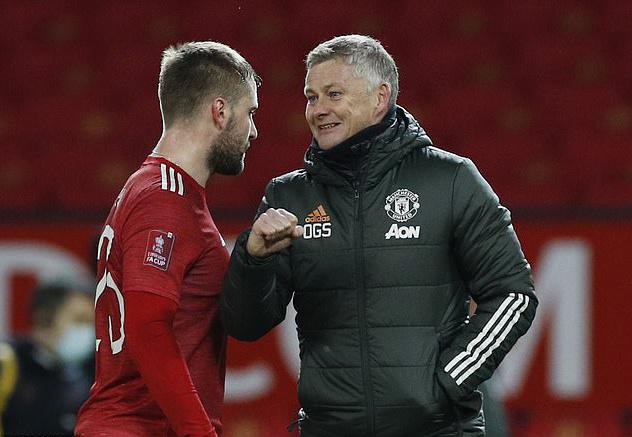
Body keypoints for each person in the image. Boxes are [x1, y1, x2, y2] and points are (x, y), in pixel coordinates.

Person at [220, 35, 537, 437]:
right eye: (311, 97)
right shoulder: (289, 197)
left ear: (380, 97)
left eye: (334, 94)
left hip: (437, 430)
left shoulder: (450, 179)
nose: (318, 109)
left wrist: (447, 383)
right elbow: (245, 324)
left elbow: (513, 294)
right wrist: (253, 259)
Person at [75, 41, 260, 437]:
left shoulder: (153, 187)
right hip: (140, 428)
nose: (254, 131)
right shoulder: (165, 198)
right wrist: (199, 432)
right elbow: (148, 325)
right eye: (250, 113)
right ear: (220, 111)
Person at [3, 279, 95, 436]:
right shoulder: (7, 364)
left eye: (91, 323)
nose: (88, 331)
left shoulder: (91, 373)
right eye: (80, 320)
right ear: (44, 318)